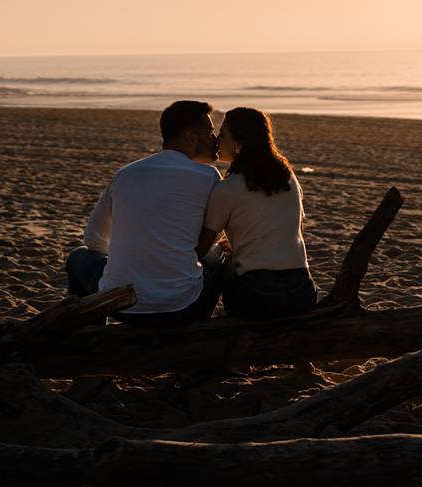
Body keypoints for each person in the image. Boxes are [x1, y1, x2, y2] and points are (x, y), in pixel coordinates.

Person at [64, 100, 225, 326]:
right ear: (191, 137)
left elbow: (93, 240)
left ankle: (91, 335)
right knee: (220, 255)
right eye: (209, 131)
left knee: (79, 257)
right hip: (184, 309)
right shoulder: (209, 177)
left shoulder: (127, 174)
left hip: (123, 307)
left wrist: (131, 256)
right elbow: (205, 239)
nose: (215, 139)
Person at [198, 107, 316, 321]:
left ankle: (201, 319)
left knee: (217, 259)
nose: (217, 138)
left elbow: (201, 249)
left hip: (257, 298)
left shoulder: (227, 188)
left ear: (238, 144)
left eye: (223, 134)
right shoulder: (288, 177)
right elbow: (294, 229)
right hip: (302, 293)